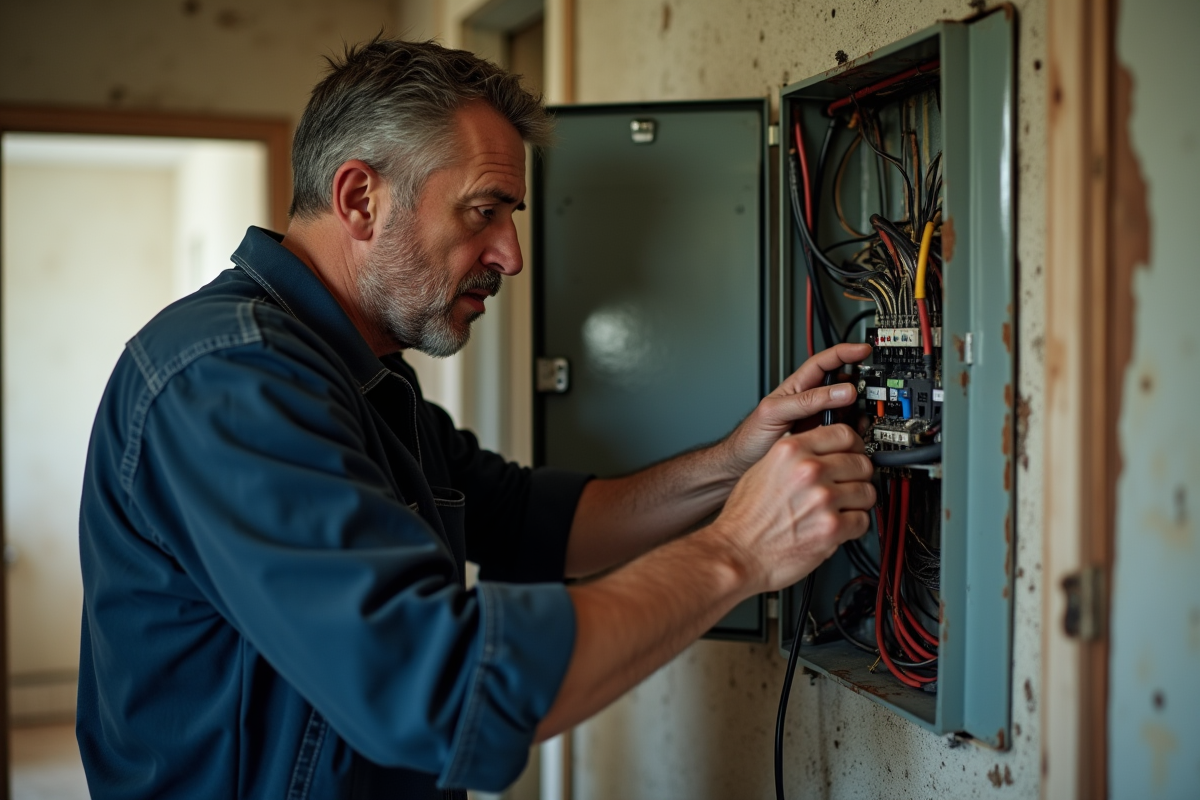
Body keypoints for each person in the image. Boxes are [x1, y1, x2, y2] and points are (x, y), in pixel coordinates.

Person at [76, 37, 875, 799]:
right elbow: (438, 688)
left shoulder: (361, 375)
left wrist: (732, 462)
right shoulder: (230, 377)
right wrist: (737, 553)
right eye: (482, 211)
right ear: (361, 198)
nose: (511, 255)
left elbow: (533, 521)